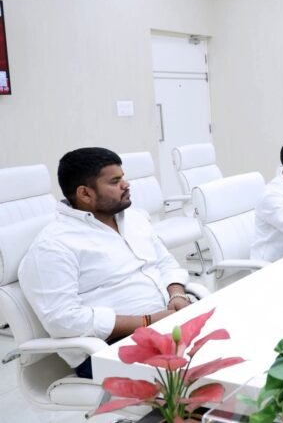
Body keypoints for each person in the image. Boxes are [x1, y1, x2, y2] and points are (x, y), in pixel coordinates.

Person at [19, 147, 192, 378]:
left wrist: (177, 294)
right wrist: (147, 321)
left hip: (166, 323)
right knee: (207, 369)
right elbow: (63, 319)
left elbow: (165, 262)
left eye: (123, 178)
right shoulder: (54, 245)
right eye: (115, 181)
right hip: (112, 346)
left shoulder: (135, 219)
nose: (126, 185)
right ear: (85, 194)